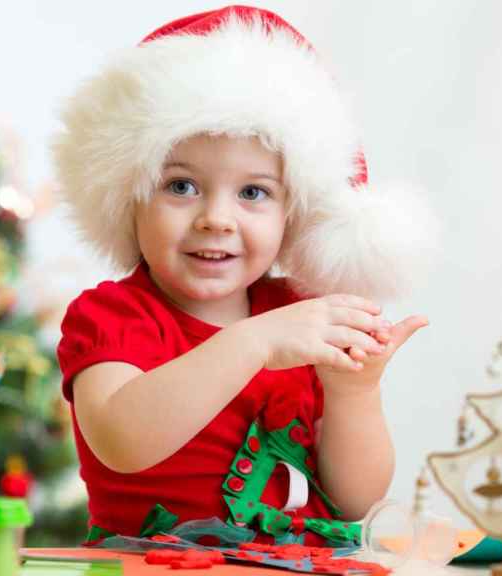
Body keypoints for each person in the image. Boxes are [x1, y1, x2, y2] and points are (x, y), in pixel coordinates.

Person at [52, 5, 431, 547]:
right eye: (181, 186)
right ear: (128, 197)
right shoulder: (113, 315)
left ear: (293, 216)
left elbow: (357, 500)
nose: (216, 219)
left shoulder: (300, 315)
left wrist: (355, 393)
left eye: (253, 193)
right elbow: (122, 438)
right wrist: (253, 343)